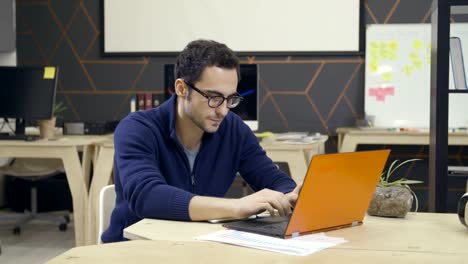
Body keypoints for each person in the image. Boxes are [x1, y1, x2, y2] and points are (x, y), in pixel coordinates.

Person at [101, 39, 300, 243]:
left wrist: (291, 195)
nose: (223, 110)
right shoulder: (137, 128)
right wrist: (237, 207)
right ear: (181, 88)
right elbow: (147, 196)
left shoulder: (233, 129)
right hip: (134, 251)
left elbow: (272, 179)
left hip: (197, 248)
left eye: (230, 98)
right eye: (213, 97)